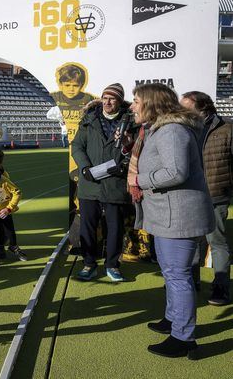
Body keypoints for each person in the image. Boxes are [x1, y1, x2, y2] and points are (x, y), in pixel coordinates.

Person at [128, 84, 213, 358]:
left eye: (136, 101)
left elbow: (176, 172)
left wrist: (139, 180)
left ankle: (184, 337)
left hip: (179, 217)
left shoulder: (172, 130)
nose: (132, 106)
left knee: (178, 277)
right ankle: (173, 320)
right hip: (168, 215)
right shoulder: (162, 128)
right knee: (171, 273)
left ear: (152, 103)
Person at [71, 83, 136, 282]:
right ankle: (89, 264)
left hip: (115, 183)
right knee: (88, 226)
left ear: (119, 100)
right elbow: (77, 146)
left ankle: (112, 265)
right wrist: (84, 168)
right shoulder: (89, 119)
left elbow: (136, 149)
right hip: (90, 183)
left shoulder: (132, 121)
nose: (108, 102)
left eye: (112, 98)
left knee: (115, 227)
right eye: (105, 97)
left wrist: (124, 166)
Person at [180, 91, 232, 306]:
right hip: (189, 195)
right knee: (190, 242)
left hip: (216, 194)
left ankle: (220, 287)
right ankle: (191, 282)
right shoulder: (182, 127)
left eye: (186, 106)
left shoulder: (227, 129)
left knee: (217, 242)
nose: (181, 109)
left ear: (202, 107)